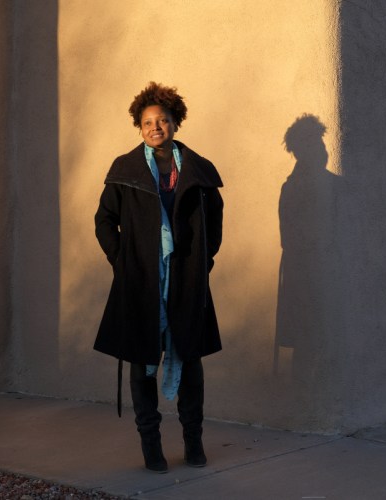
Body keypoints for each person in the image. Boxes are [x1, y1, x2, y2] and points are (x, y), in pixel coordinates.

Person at [94, 82, 224, 473]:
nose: (156, 127)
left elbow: (215, 225)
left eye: (163, 120)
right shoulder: (125, 170)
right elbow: (104, 222)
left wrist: (204, 262)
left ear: (175, 123)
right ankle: (152, 448)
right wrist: (124, 263)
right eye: (148, 121)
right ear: (139, 126)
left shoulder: (199, 171)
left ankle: (193, 444)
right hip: (141, 281)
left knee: (190, 358)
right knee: (142, 361)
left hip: (187, 278)